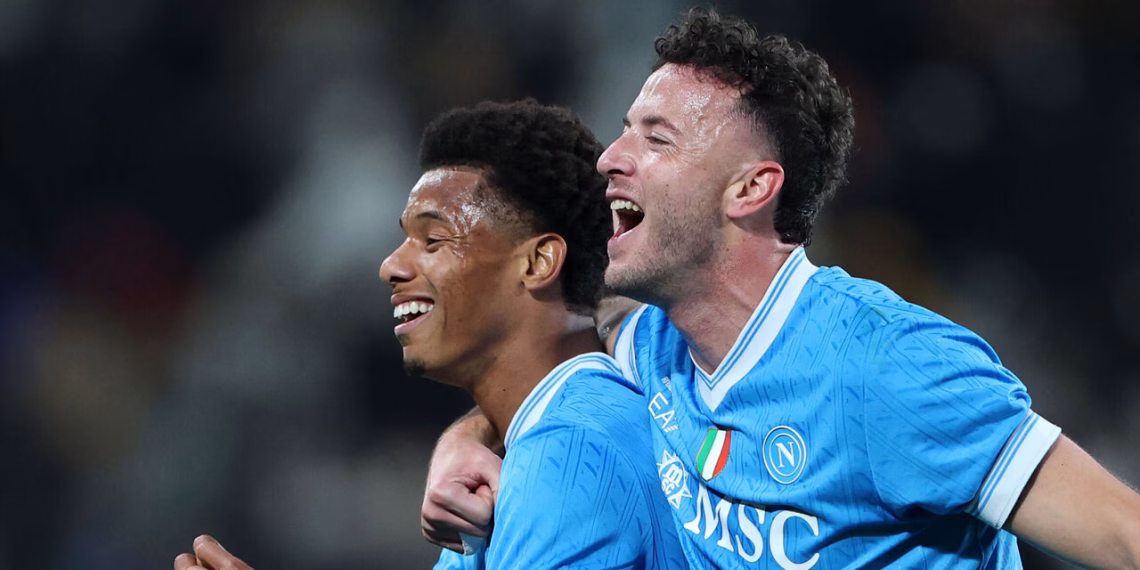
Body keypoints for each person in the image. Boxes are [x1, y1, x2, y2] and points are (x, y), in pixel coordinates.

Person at [421, 8, 1140, 569]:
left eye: (657, 138)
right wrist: (467, 439)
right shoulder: (652, 344)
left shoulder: (886, 368)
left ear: (750, 189)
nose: (610, 157)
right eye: (625, 131)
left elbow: (1124, 535)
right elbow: (543, 362)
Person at [173, 99, 686, 569]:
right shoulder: (516, 456)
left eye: (434, 239)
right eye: (405, 239)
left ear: (537, 262)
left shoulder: (570, 453)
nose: (391, 266)